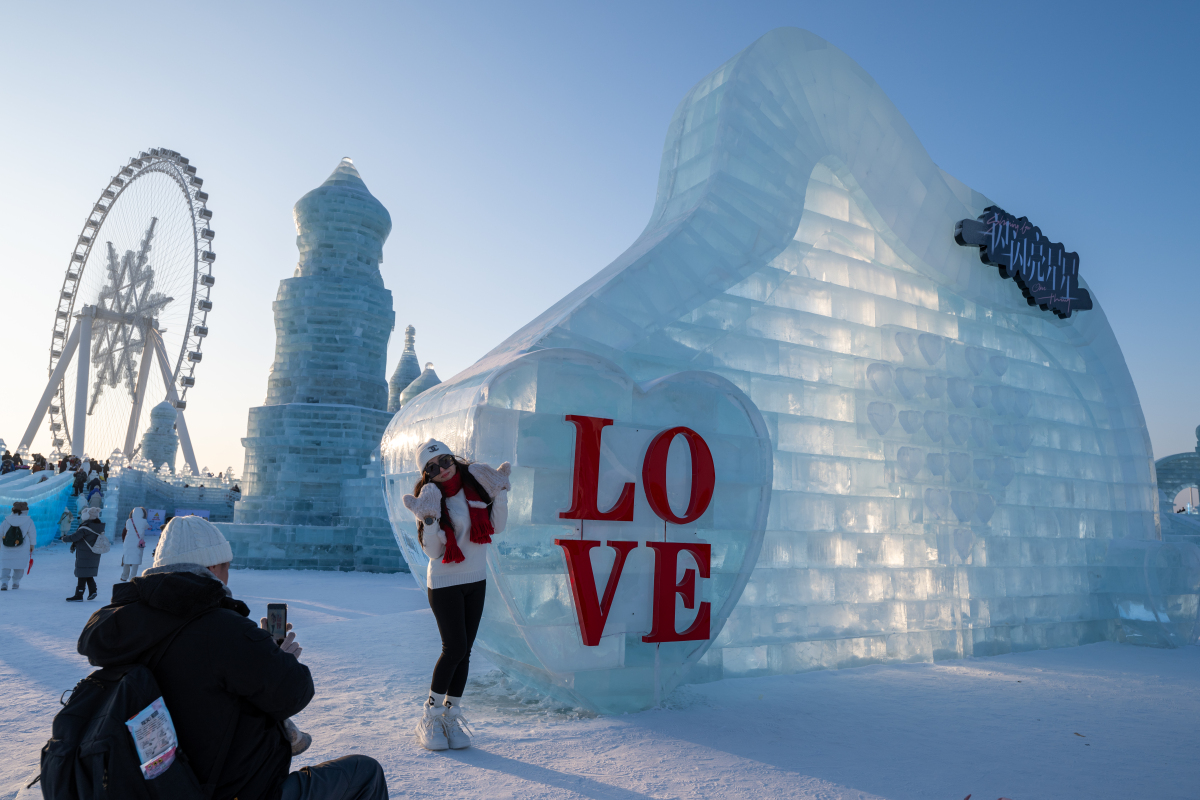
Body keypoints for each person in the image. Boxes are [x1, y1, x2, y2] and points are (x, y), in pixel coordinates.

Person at [77, 516, 389, 800]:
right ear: (211, 567)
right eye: (226, 566)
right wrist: (278, 658)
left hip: (152, 787)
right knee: (364, 773)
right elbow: (293, 692)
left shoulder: (121, 625)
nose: (228, 576)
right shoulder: (221, 627)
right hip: (228, 791)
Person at [402, 439, 510, 751]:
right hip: (445, 582)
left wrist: (499, 493)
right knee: (454, 649)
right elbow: (434, 552)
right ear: (426, 474)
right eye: (431, 468)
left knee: (465, 651)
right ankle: (431, 716)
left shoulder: (477, 485)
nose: (442, 470)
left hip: (476, 578)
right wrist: (431, 521)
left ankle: (451, 715)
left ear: (453, 458)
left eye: (445, 461)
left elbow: (497, 526)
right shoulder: (430, 498)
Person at [64, 506, 105, 601]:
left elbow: (75, 537)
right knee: (88, 572)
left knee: (82, 573)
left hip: (84, 553)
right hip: (94, 552)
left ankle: (79, 595)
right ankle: (93, 591)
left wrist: (64, 538)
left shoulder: (85, 527)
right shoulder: (99, 526)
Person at [0, 502, 35, 590]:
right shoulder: (28, 521)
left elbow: (1, 533)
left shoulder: (6, 520)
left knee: (6, 565)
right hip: (22, 547)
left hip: (6, 546)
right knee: (19, 565)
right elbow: (32, 534)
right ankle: (15, 583)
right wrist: (32, 544)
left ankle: (4, 582)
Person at [120, 506, 148, 581]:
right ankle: (132, 577)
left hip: (128, 542)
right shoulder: (144, 521)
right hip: (138, 543)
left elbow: (127, 527)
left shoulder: (129, 521)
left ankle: (124, 576)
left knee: (127, 559)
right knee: (136, 560)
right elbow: (147, 527)